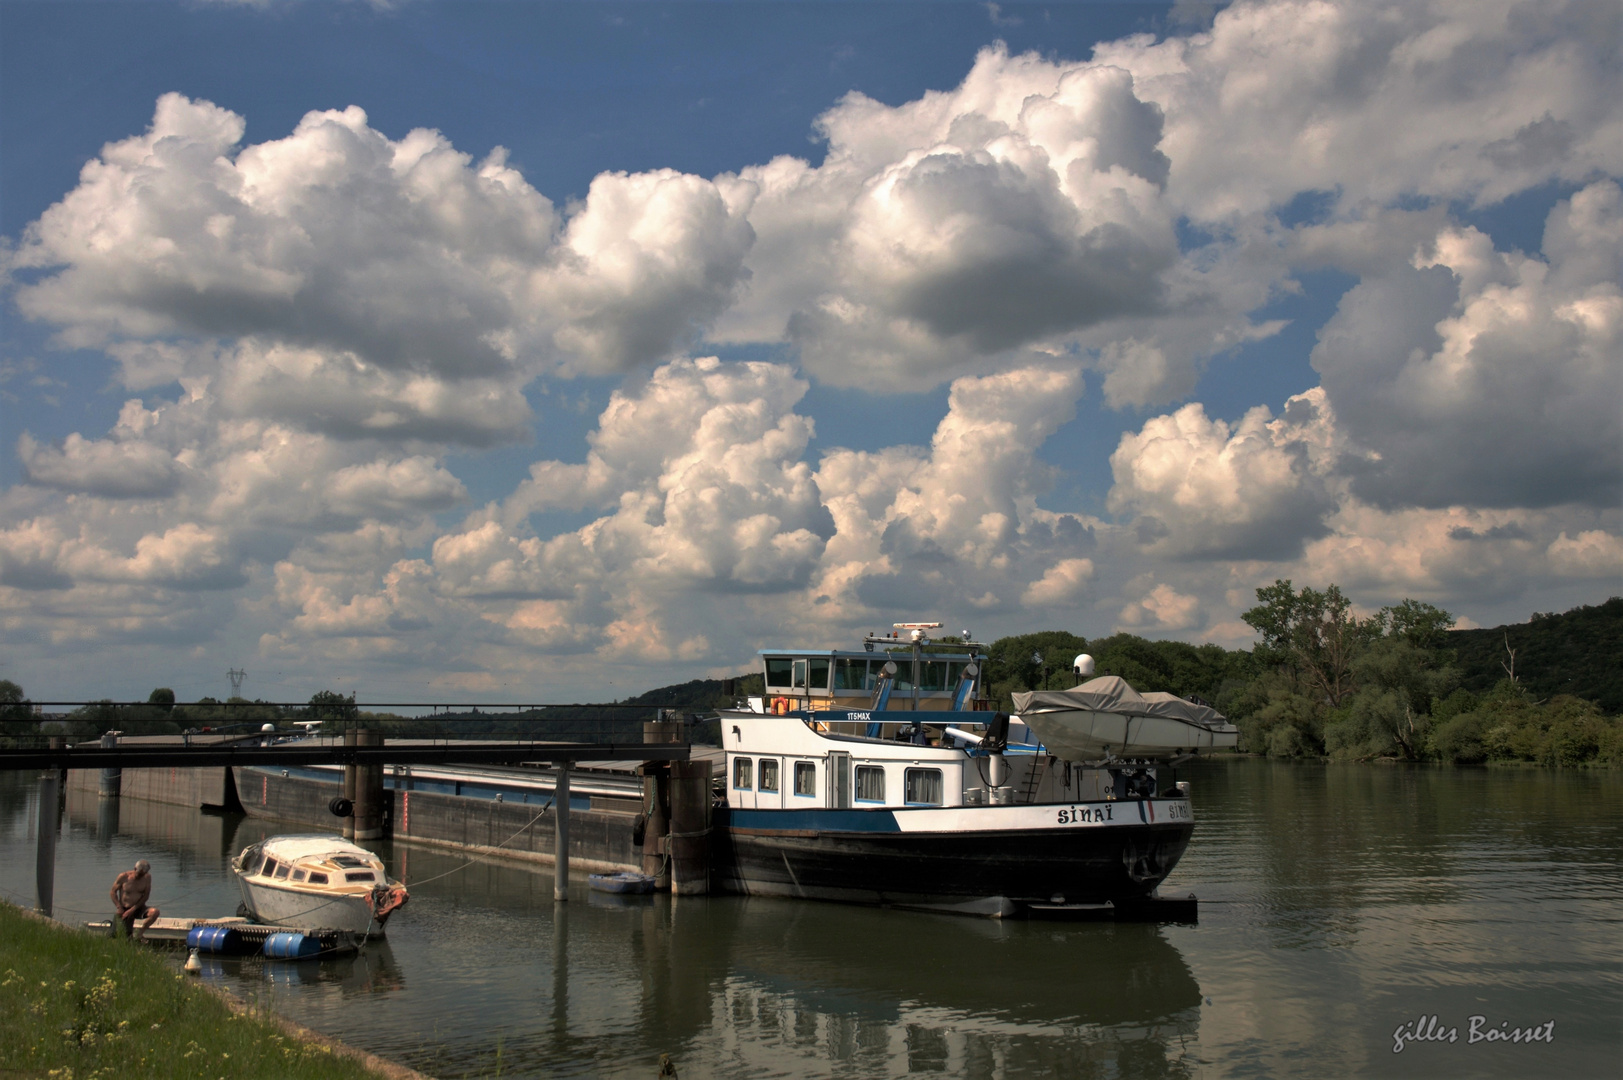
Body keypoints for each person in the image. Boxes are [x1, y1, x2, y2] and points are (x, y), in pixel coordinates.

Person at [111, 859, 160, 941]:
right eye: (139, 874)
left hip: (138, 908)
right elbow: (113, 892)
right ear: (135, 869)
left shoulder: (147, 878)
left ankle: (139, 934)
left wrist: (133, 909)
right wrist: (119, 907)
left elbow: (146, 895)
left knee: (155, 912)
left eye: (143, 874)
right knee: (121, 936)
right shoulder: (123, 877)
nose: (140, 876)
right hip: (124, 908)